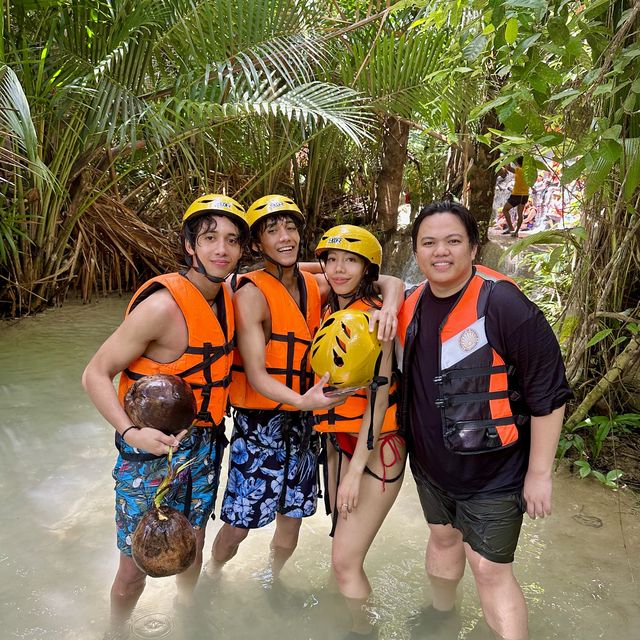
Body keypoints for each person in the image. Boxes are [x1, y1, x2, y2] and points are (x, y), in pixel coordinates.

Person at [396, 201, 572, 640]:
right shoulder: (410, 304)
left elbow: (548, 394)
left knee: (490, 569)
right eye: (429, 242)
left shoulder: (504, 304)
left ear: (474, 247)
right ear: (416, 251)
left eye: (453, 241)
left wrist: (540, 474)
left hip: (496, 472)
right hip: (433, 468)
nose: (441, 252)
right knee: (441, 540)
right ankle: (441, 617)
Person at [209, 195, 403, 583]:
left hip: (304, 425)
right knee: (239, 523)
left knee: (293, 518)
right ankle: (213, 572)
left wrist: (391, 305)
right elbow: (258, 374)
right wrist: (303, 400)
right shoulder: (250, 293)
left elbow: (382, 277)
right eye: (272, 231)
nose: (285, 238)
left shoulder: (315, 285)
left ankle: (274, 577)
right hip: (261, 423)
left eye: (291, 228)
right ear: (255, 244)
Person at [82, 194, 249, 632]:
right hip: (149, 454)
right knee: (135, 564)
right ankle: (115, 631)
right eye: (209, 238)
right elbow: (95, 374)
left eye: (232, 241)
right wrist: (130, 431)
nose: (221, 249)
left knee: (193, 542)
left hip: (203, 449)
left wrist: (383, 288)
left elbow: (300, 271)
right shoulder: (161, 307)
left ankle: (188, 616)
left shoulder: (228, 294)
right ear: (190, 245)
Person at [313, 225, 406, 637]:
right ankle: (343, 621)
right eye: (331, 259)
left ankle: (363, 632)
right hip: (336, 440)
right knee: (340, 545)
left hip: (377, 445)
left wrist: (354, 472)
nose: (339, 268)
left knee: (344, 561)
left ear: (367, 268)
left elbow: (380, 398)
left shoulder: (376, 320)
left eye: (350, 260)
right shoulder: (327, 306)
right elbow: (287, 268)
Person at [499, 157, 530, 237]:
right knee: (520, 214)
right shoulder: (528, 172)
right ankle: (516, 231)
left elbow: (508, 168)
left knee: (505, 210)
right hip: (525, 195)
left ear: (517, 163)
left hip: (517, 195)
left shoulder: (519, 170)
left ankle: (511, 228)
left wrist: (507, 158)